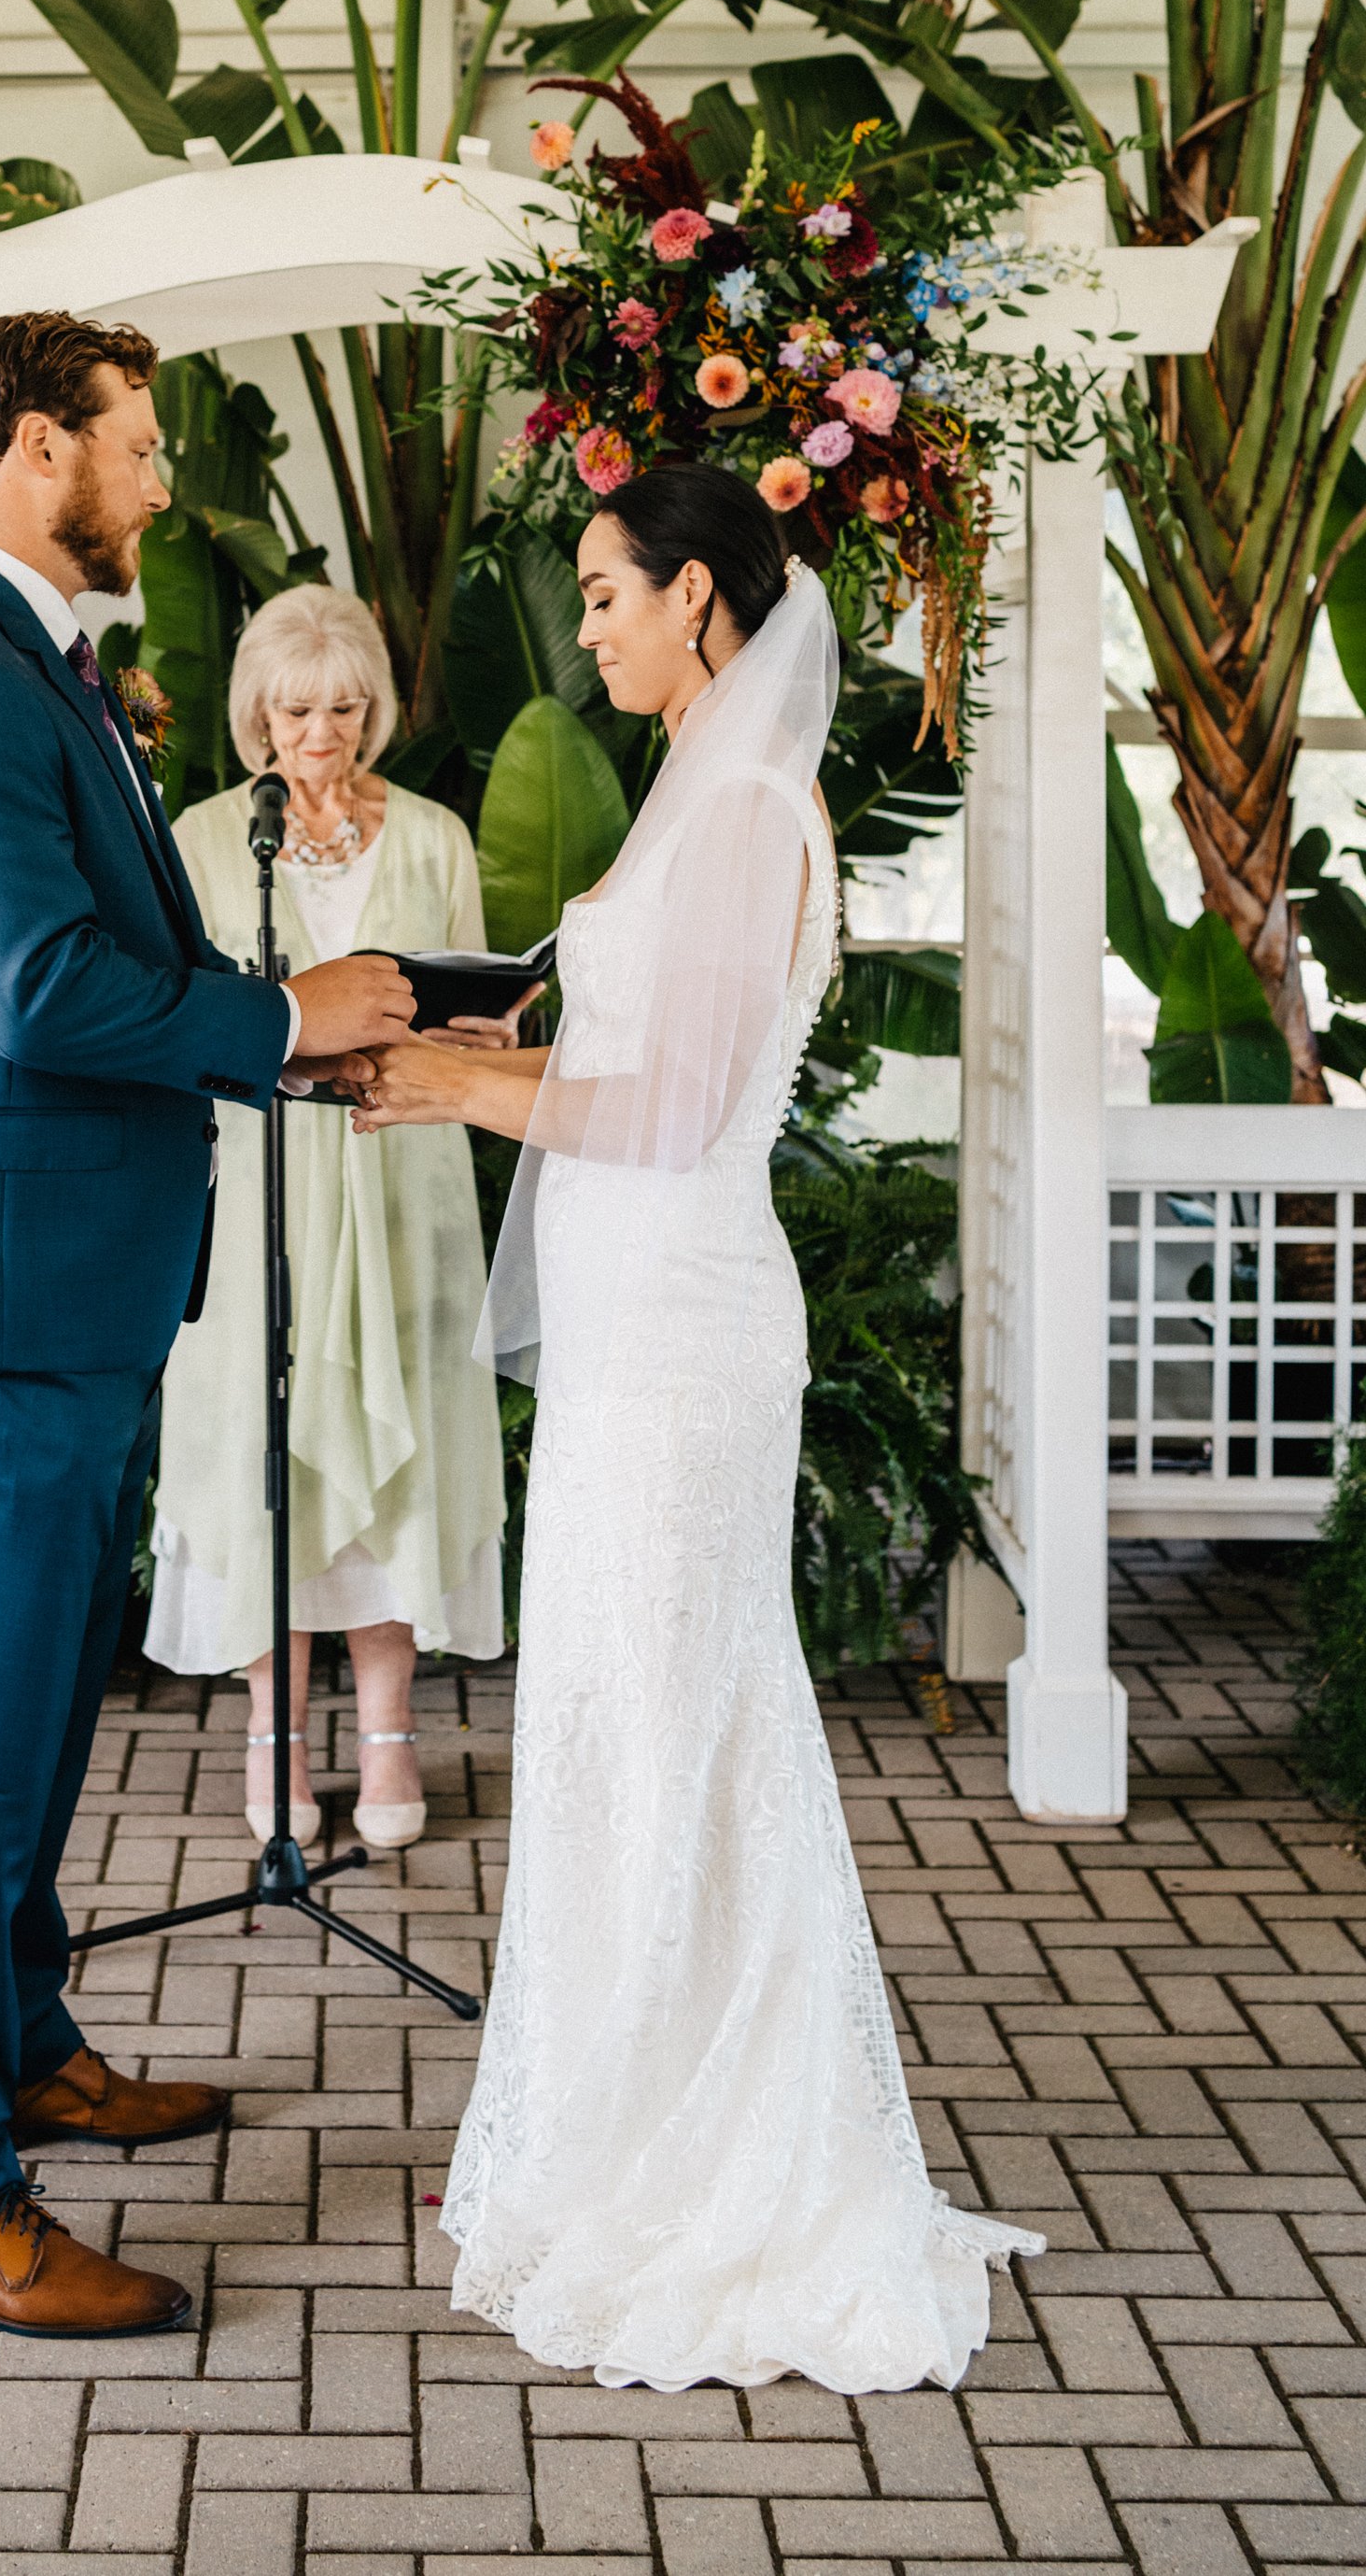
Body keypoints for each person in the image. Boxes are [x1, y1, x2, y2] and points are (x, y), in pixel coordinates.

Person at [344, 461, 1039, 2394]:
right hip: (639, 1319)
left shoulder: (740, 810)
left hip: (686, 1334)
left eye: (602, 592)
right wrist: (468, 1064)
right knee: (627, 1715)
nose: (583, 627)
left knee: (667, 1724)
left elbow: (668, 1113)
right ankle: (611, 2122)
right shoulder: (696, 796)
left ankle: (710, 2168)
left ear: (702, 601)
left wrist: (452, 1089)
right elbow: (635, 1059)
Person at [0, 311, 416, 2342]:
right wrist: (277, 1023)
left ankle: (22, 2048)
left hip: (53, 1295)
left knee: (31, 1727)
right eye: (134, 446)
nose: (163, 480)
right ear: (26, 453)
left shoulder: (30, 667)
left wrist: (312, 1041)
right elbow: (35, 988)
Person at [147, 587, 513, 1853]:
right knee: (268, 1441)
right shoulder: (200, 841)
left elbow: (478, 1008)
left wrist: (479, 1027)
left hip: (402, 1166)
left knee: (401, 1434)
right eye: (299, 710)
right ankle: (275, 1739)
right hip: (265, 1180)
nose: (324, 734)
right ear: (258, 715)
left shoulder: (434, 836)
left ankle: (393, 1732)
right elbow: (179, 1020)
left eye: (346, 708)